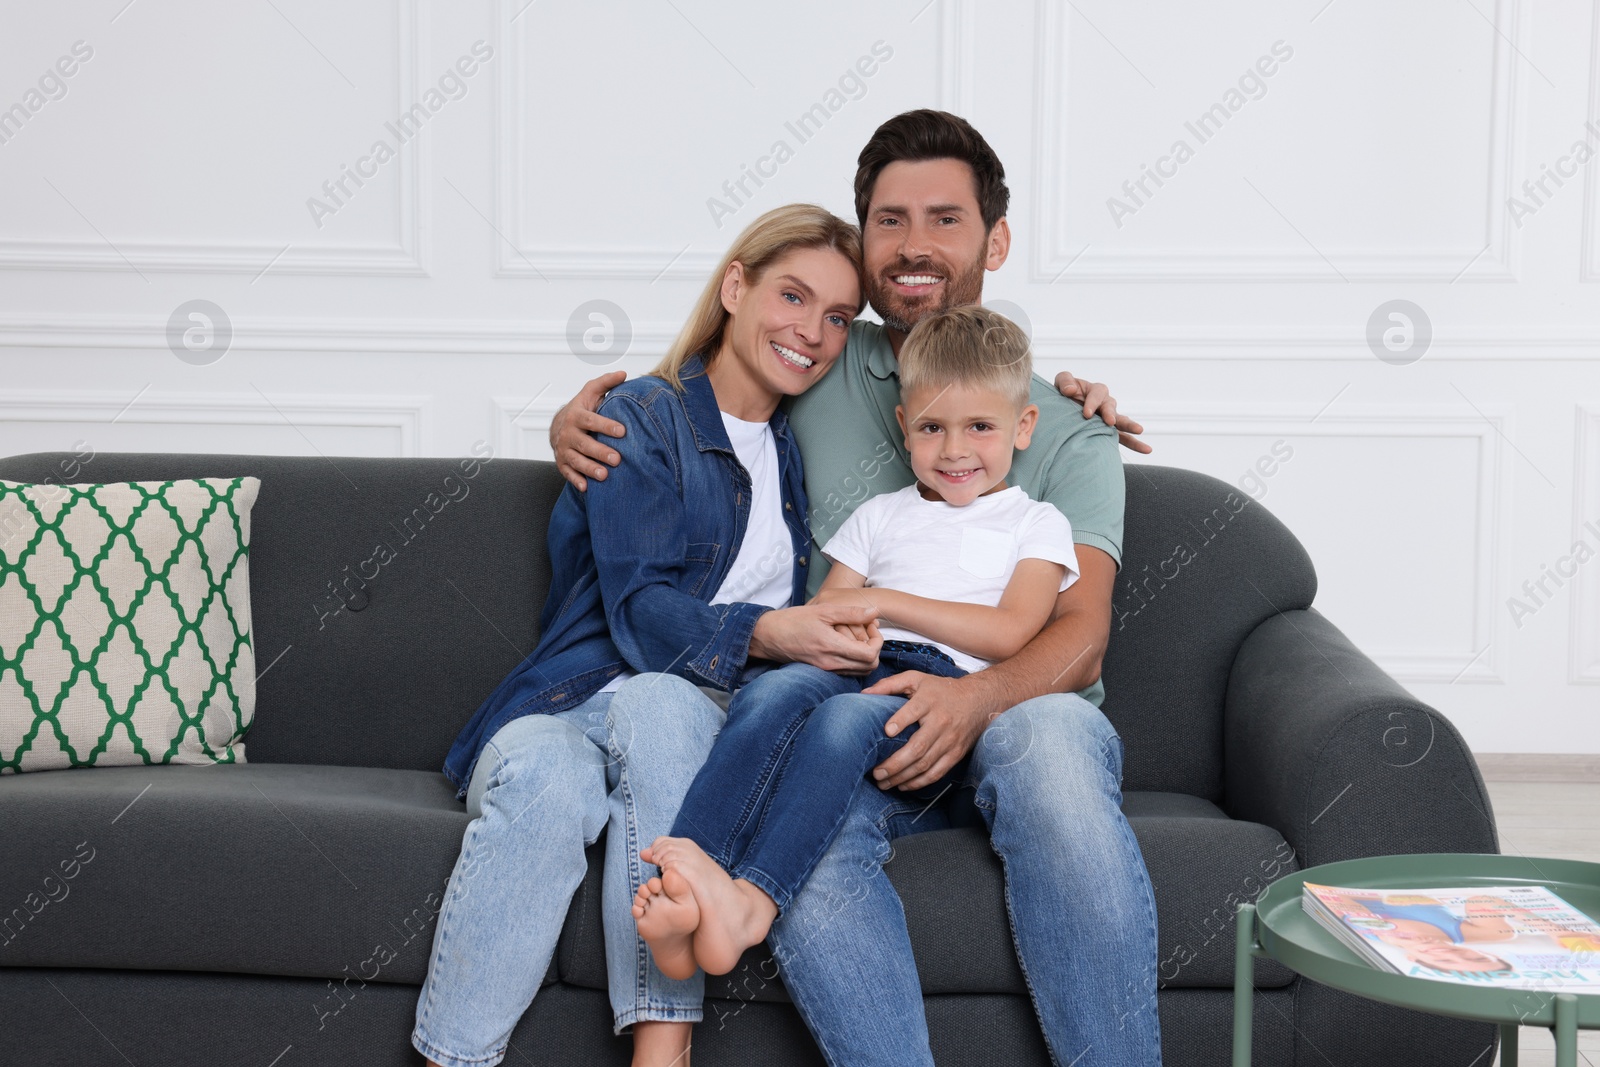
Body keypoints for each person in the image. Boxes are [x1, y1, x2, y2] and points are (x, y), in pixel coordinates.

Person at [551, 110, 1163, 1066]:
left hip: (1019, 707)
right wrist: (586, 425)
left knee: (1048, 748)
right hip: (859, 705)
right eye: (890, 220)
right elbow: (717, 381)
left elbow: (1078, 634)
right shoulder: (825, 359)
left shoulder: (1066, 431)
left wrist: (973, 701)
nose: (915, 245)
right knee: (813, 838)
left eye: (946, 220)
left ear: (995, 240)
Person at [413, 204, 880, 1067]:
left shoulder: (798, 446)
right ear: (735, 285)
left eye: (839, 317)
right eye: (792, 294)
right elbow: (638, 613)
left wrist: (1071, 400)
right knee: (556, 768)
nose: (813, 332)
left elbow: (963, 379)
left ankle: (661, 1051)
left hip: (691, 724)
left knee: (649, 721)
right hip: (572, 702)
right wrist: (773, 631)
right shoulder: (640, 416)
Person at [632, 305, 1079, 980]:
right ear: (905, 428)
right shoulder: (879, 515)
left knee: (841, 720)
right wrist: (855, 621)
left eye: (980, 427)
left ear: (1023, 427)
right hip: (859, 660)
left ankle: (753, 901)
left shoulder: (1035, 523)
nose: (955, 450)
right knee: (771, 690)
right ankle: (691, 884)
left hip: (938, 690)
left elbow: (1013, 629)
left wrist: (885, 602)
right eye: (933, 427)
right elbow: (830, 606)